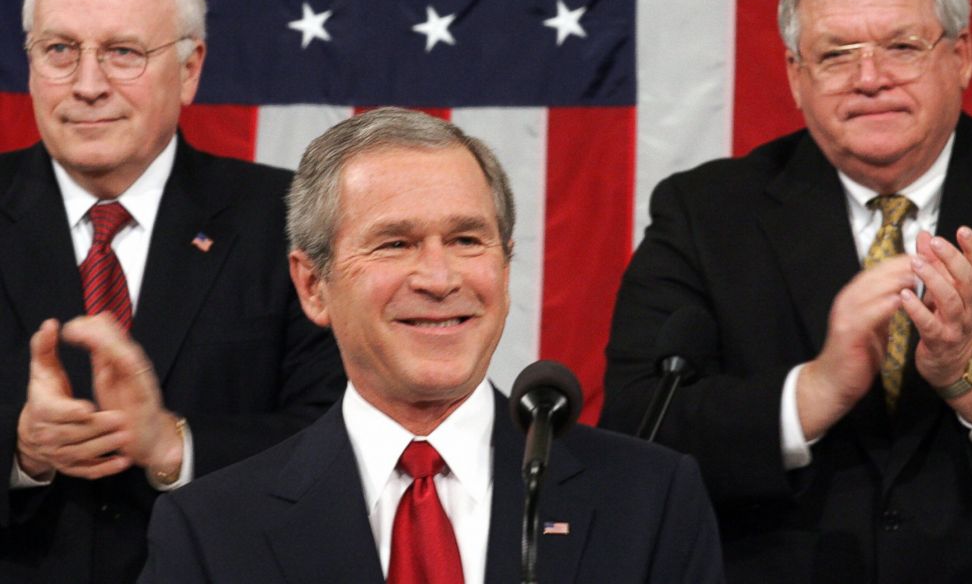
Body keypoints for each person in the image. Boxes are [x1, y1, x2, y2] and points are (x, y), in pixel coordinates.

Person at [138, 107, 724, 584]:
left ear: (505, 262)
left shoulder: (649, 502)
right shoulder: (211, 531)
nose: (440, 279)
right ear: (313, 286)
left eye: (468, 239)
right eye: (395, 244)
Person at [600, 0, 972, 583]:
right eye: (837, 54)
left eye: (901, 45)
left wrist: (968, 374)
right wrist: (814, 390)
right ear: (795, 74)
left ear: (960, 55)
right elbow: (635, 430)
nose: (870, 79)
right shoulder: (705, 213)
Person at [0, 0, 346, 584]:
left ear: (189, 70)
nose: (88, 83)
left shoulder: (290, 221)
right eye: (60, 49)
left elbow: (344, 435)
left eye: (124, 51)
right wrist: (20, 450)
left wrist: (172, 446)